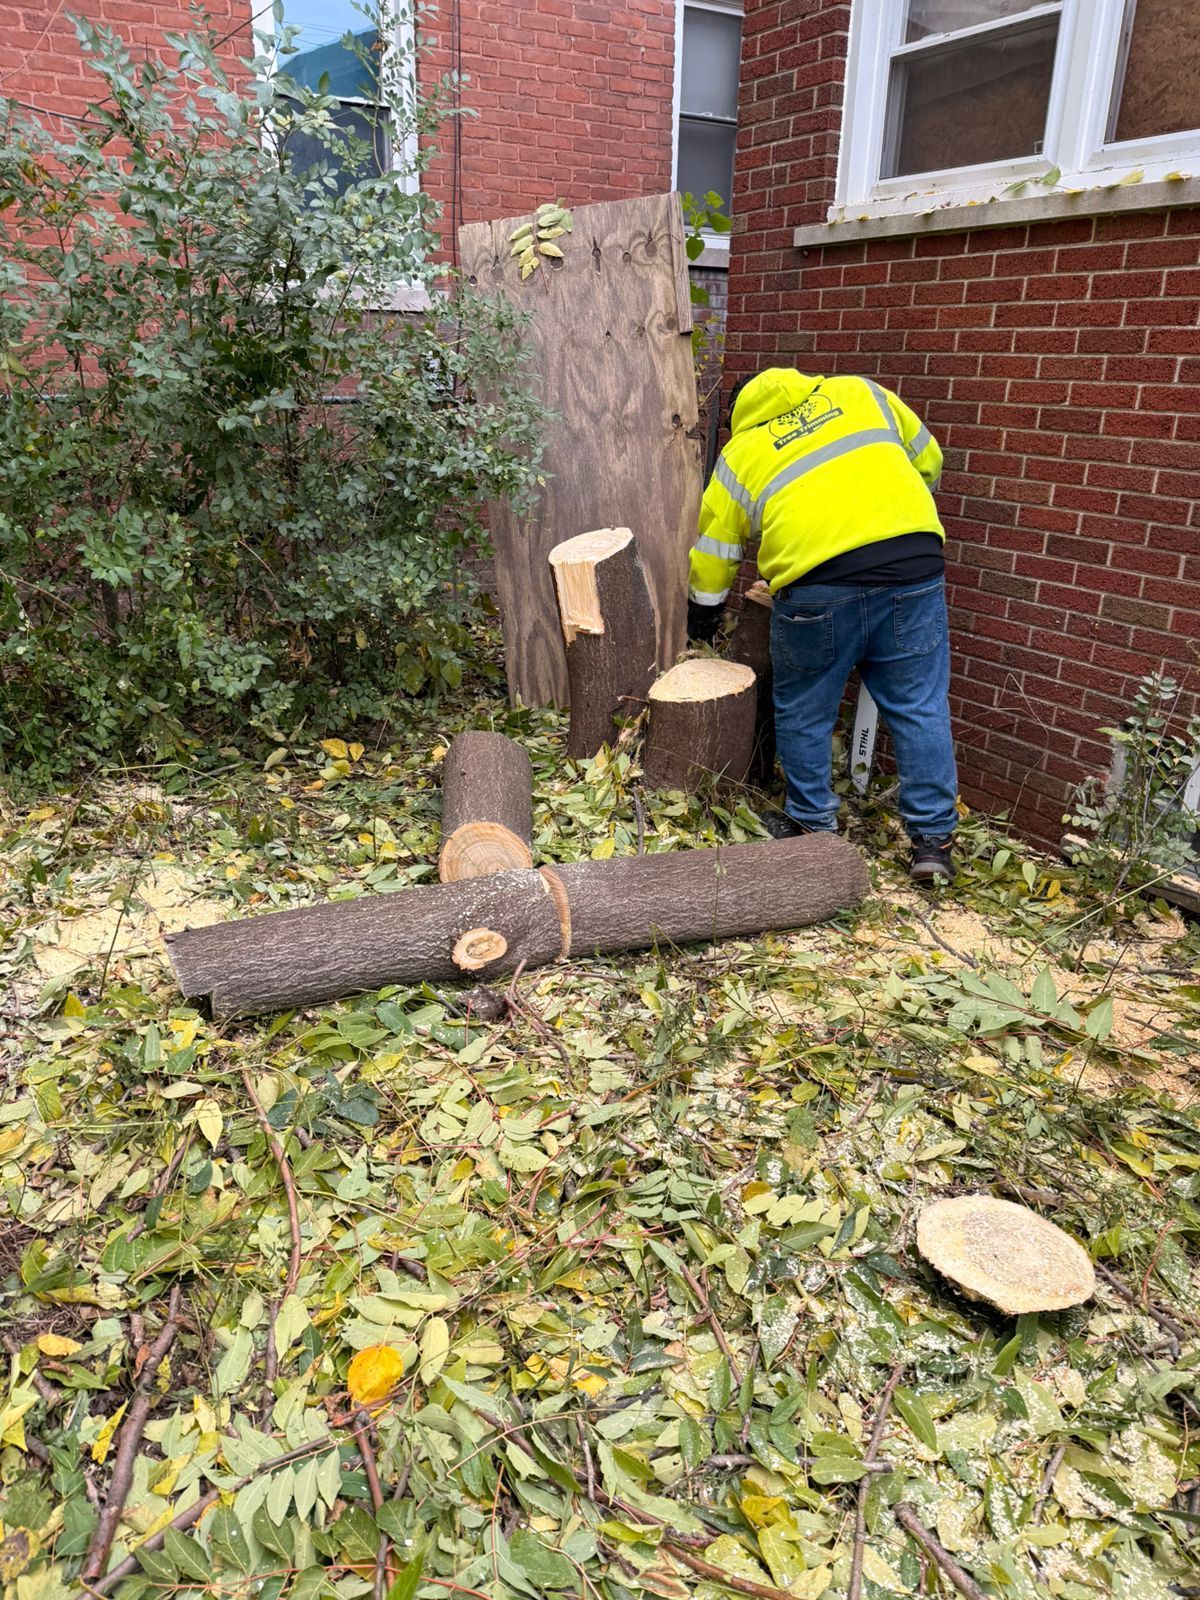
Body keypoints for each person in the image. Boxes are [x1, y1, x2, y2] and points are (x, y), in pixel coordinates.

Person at [687, 366, 959, 883]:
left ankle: (813, 825)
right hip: (913, 568)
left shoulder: (742, 453)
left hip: (817, 589)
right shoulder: (861, 393)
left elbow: (717, 548)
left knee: (806, 710)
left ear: (740, 414)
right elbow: (929, 460)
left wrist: (703, 612)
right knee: (919, 707)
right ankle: (933, 844)